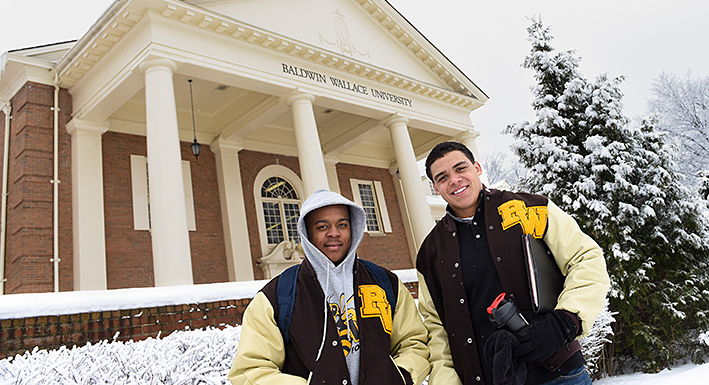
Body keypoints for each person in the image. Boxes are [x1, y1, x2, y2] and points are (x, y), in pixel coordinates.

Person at [416, 141, 610, 385]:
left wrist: (565, 321)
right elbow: (436, 328)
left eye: (460, 168)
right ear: (435, 187)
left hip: (558, 374)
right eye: (443, 177)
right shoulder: (430, 252)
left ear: (477, 168)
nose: (454, 180)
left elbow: (586, 258)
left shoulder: (530, 208)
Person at [228, 189, 430, 385]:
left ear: (353, 228)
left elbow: (414, 343)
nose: (334, 233)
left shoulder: (385, 283)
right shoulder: (277, 296)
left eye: (342, 224)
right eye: (322, 227)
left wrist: (401, 377)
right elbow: (252, 370)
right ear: (307, 233)